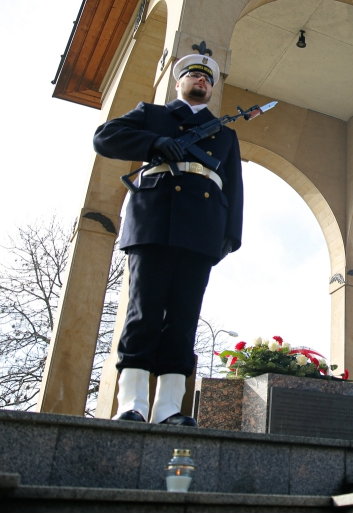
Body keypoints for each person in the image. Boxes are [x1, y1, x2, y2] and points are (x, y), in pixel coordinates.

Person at [93, 53, 243, 427]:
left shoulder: (224, 133)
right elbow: (104, 137)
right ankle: (132, 403)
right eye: (194, 75)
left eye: (208, 79)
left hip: (201, 229)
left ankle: (169, 409)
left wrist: (229, 236)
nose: (202, 82)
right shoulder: (152, 115)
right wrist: (155, 143)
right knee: (143, 314)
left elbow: (234, 189)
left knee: (183, 320)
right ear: (179, 83)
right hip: (154, 220)